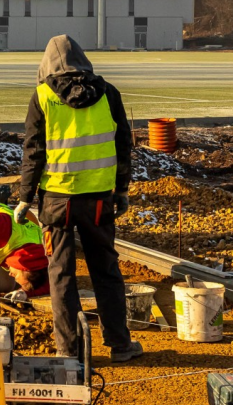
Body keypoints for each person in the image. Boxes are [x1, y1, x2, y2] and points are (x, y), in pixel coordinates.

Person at [15, 34, 141, 363]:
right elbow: (123, 146)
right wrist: (122, 189)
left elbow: (34, 153)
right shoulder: (108, 93)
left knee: (61, 276)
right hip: (99, 200)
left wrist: (25, 198)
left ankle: (69, 352)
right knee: (106, 271)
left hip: (57, 201)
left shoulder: (42, 97)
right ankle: (119, 345)